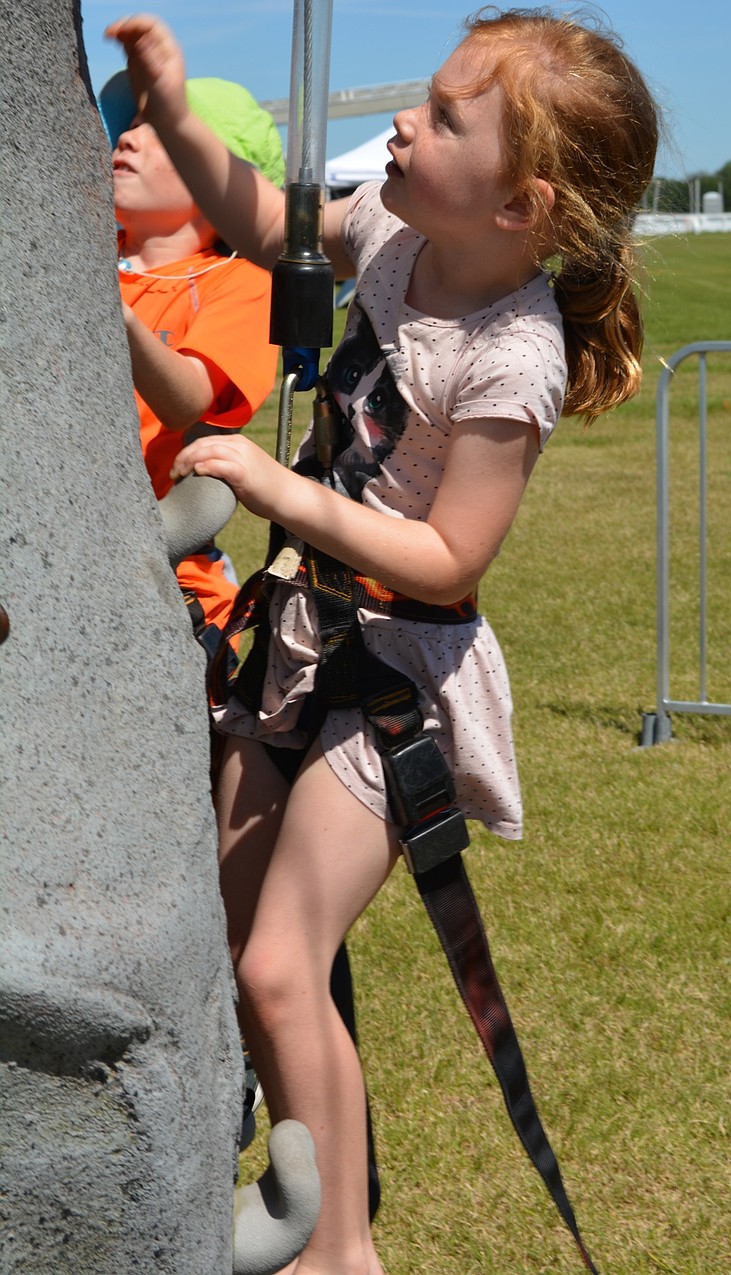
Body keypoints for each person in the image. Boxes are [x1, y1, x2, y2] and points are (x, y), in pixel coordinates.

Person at [107, 9, 659, 1274]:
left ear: (520, 205)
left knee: (285, 965)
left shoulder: (512, 353)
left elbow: (452, 557)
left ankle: (339, 1248)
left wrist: (280, 493)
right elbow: (260, 222)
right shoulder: (400, 237)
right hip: (298, 638)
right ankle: (312, 1202)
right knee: (247, 955)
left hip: (398, 674)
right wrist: (180, 109)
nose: (406, 119)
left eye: (446, 113)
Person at [98, 72, 284, 658]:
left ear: (222, 185)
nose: (126, 139)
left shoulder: (242, 281)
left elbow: (186, 401)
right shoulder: (77, 247)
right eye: (128, 127)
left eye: (158, 132)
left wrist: (114, 313)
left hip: (167, 571)